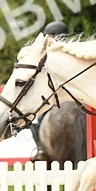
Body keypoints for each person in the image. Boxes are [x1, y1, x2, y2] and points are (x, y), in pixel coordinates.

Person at [30, 20, 70, 162]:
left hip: (59, 97)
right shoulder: (72, 51)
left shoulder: (50, 55)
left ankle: (40, 149)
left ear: (56, 36)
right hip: (78, 97)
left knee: (35, 120)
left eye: (50, 36)